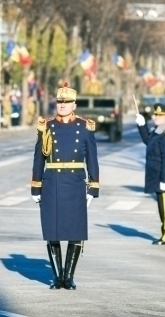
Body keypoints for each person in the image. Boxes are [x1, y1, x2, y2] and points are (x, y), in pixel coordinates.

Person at [31, 83, 99, 289]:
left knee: (75, 230)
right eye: (60, 102)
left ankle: (68, 277)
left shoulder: (84, 127)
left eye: (66, 102)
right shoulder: (47, 126)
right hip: (53, 181)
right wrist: (36, 186)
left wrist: (93, 187)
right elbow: (38, 158)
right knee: (52, 230)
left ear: (74, 104)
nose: (62, 105)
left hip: (76, 181)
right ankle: (57, 277)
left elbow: (93, 159)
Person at [136, 104, 165, 245]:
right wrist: (142, 126)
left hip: (162, 177)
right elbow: (148, 141)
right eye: (155, 115)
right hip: (156, 176)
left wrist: (164, 180)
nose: (156, 117)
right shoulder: (157, 132)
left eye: (159, 116)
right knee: (161, 207)